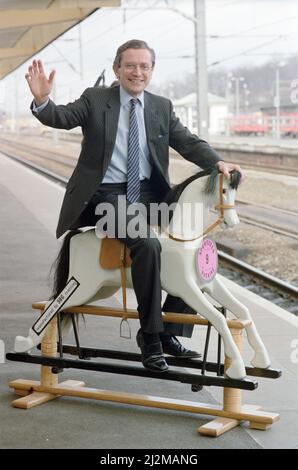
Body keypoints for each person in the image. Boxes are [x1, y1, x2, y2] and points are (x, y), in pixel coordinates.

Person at [26, 39, 243, 373]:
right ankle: (151, 338)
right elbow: (61, 116)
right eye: (130, 65)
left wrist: (218, 162)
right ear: (117, 68)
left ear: (152, 71)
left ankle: (172, 330)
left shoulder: (161, 106)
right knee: (147, 244)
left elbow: (188, 142)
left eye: (144, 66)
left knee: (195, 245)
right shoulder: (96, 100)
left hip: (150, 194)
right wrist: (42, 100)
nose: (137, 72)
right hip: (107, 197)